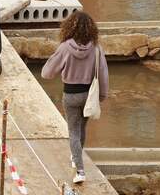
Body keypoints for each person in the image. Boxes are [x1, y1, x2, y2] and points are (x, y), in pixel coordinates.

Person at [41, 11, 109, 185]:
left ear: (69, 27)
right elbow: (103, 74)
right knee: (81, 129)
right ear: (91, 29)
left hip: (71, 94)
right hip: (89, 95)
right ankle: (76, 156)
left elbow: (47, 74)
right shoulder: (96, 48)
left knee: (73, 131)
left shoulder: (65, 47)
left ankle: (79, 170)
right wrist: (102, 95)